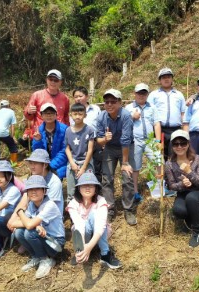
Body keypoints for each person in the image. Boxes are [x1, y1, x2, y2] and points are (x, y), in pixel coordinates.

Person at [9, 175, 65, 279]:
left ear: (44, 191)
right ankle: (37, 256)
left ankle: (46, 260)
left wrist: (20, 211)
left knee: (29, 232)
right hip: (43, 237)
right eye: (30, 189)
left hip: (55, 243)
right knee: (18, 232)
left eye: (37, 188)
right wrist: (35, 225)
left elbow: (29, 224)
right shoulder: (32, 204)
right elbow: (13, 224)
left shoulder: (49, 205)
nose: (33, 192)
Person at [164, 130, 199, 247]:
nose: (179, 146)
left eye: (183, 143)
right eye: (176, 144)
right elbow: (171, 185)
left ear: (188, 144)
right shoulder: (169, 163)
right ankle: (192, 215)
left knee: (192, 198)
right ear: (172, 146)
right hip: (183, 193)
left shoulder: (198, 159)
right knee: (179, 211)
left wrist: (189, 172)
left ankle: (197, 231)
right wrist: (182, 184)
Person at [96, 89, 137, 225]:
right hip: (109, 147)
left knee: (127, 177)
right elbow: (98, 140)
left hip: (125, 148)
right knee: (107, 178)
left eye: (113, 101)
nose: (109, 104)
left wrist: (125, 163)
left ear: (120, 103)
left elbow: (125, 140)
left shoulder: (126, 116)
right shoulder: (102, 117)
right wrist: (105, 140)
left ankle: (128, 209)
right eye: (107, 102)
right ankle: (110, 208)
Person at [66, 172, 121, 269]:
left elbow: (100, 227)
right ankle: (80, 252)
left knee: (94, 215)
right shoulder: (73, 204)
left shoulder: (101, 201)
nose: (87, 188)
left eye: (91, 185)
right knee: (78, 225)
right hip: (84, 237)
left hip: (99, 237)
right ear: (79, 188)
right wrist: (83, 248)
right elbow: (79, 224)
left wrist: (89, 247)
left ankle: (105, 255)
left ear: (96, 189)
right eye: (84, 185)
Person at [125, 83, 162, 202]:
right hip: (135, 141)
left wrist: (157, 140)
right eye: (139, 93)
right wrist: (132, 117)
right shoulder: (129, 108)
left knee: (158, 161)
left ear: (147, 94)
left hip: (150, 140)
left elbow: (156, 123)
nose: (141, 95)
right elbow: (123, 124)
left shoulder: (152, 107)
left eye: (144, 93)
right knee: (135, 167)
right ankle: (135, 192)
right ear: (135, 94)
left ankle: (159, 187)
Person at [147, 68, 186, 162]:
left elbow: (183, 113)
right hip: (159, 130)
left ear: (172, 79)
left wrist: (185, 131)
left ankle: (172, 176)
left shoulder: (179, 94)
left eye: (168, 77)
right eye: (163, 77)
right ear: (160, 80)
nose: (166, 79)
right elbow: (149, 113)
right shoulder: (154, 95)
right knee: (159, 156)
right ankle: (160, 176)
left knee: (175, 155)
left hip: (175, 129)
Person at [65, 103, 95, 202]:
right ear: (71, 115)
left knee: (87, 187)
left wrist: (83, 168)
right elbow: (67, 148)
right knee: (71, 189)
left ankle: (87, 208)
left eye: (80, 114)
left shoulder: (89, 130)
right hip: (73, 163)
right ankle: (71, 211)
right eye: (75, 114)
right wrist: (72, 163)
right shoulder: (68, 130)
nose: (77, 116)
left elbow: (90, 150)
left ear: (85, 115)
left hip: (86, 162)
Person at [72, 86, 103, 182]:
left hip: (95, 141)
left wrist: (102, 140)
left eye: (80, 96)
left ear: (87, 97)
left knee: (97, 167)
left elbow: (101, 124)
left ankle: (97, 191)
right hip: (79, 144)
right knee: (81, 167)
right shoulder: (73, 111)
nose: (78, 98)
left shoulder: (95, 109)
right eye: (76, 96)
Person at [32, 103, 68, 180]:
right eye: (46, 113)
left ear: (56, 115)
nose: (49, 115)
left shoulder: (64, 129)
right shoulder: (39, 130)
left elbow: (65, 151)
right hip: (44, 164)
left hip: (60, 164)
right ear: (41, 116)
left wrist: (50, 166)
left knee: (55, 177)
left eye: (51, 113)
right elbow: (37, 152)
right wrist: (37, 140)